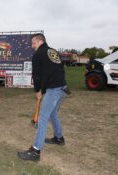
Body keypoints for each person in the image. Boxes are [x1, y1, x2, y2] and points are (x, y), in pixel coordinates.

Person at [18, 33, 70, 161]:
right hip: (62, 88)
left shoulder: (38, 54)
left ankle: (36, 151)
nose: (32, 45)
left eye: (33, 42)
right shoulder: (53, 51)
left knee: (43, 117)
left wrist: (38, 90)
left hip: (54, 90)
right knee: (52, 114)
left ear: (40, 41)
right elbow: (59, 70)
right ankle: (59, 138)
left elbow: (37, 75)